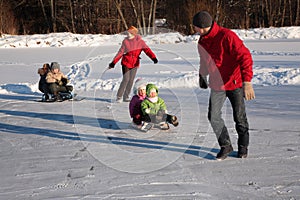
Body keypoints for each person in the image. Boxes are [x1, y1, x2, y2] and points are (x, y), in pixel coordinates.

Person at [193, 11, 255, 160]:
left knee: (239, 117)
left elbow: (245, 57)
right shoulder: (202, 41)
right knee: (213, 116)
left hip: (235, 83)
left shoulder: (227, 36)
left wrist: (247, 82)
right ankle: (225, 145)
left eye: (194, 26)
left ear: (201, 27)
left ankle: (243, 147)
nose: (193, 29)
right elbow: (204, 60)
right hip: (217, 84)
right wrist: (202, 75)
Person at [108, 26, 158, 103]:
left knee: (131, 80)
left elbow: (147, 50)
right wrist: (113, 62)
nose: (127, 34)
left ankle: (126, 96)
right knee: (126, 79)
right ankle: (119, 96)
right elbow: (120, 52)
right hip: (126, 62)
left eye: (129, 33)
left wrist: (153, 58)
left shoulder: (140, 42)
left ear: (133, 34)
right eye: (127, 33)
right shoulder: (125, 41)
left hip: (135, 63)